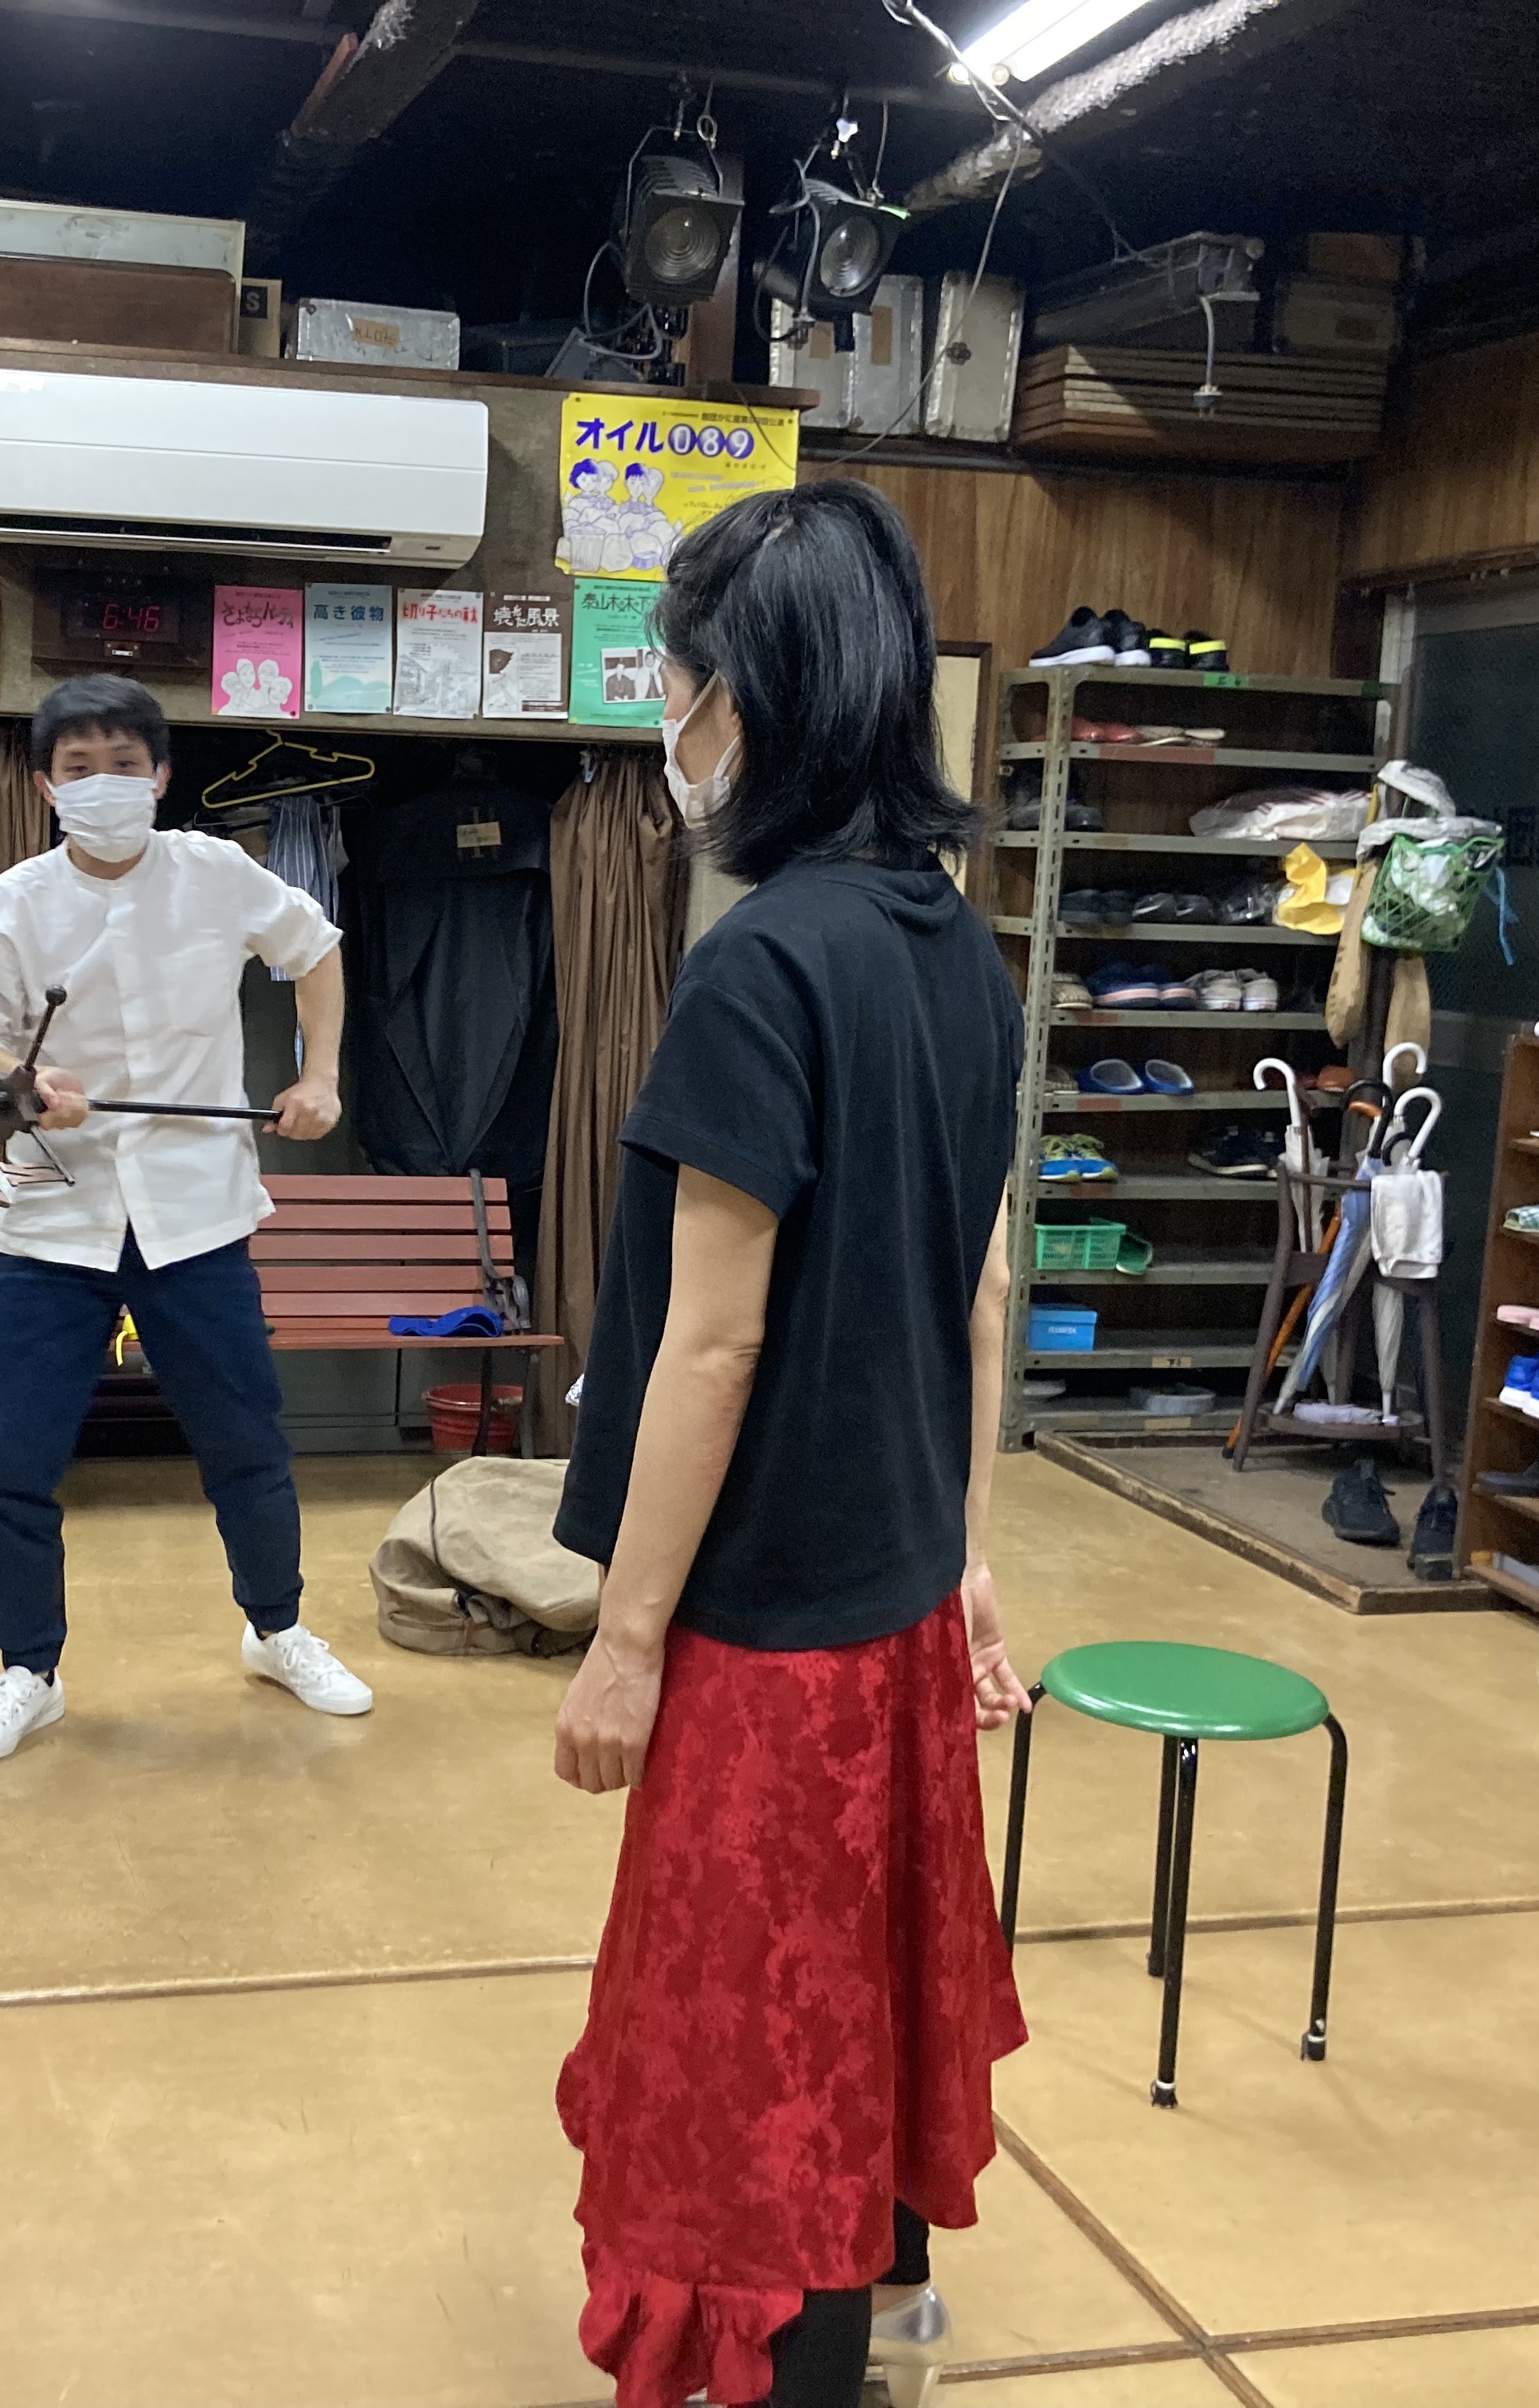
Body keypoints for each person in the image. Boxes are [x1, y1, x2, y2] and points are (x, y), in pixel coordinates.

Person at [548, 479, 1030, 2408]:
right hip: (898, 1592)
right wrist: (968, 1554)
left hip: (770, 1633)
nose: (669, 719)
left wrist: (624, 1637)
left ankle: (802, 2372)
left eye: (677, 678)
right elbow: (980, 1291)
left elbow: (714, 1339)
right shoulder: (961, 953)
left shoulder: (758, 964)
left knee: (754, 2054)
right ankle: (884, 2318)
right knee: (866, 1999)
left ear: (746, 695)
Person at [0, 674, 377, 1762]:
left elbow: (315, 949)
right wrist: (21, 1083)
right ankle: (27, 1672)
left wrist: (320, 1074)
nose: (103, 786)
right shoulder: (3, 909)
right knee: (9, 1459)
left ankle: (277, 1630)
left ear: (161, 777)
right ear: (46, 786)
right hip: (53, 1219)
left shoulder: (217, 872)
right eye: (78, 769)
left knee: (245, 1442)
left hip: (198, 1212)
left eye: (124, 766)